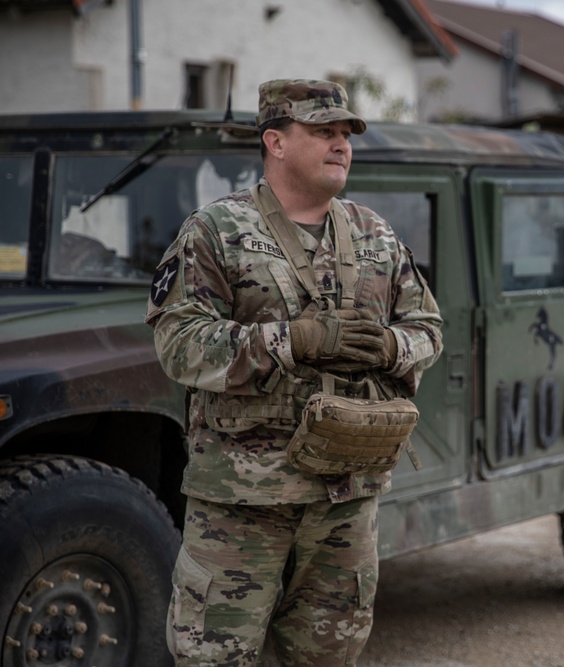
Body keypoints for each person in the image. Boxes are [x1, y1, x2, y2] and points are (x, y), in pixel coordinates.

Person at [146, 79, 443, 666]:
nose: (341, 145)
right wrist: (293, 340)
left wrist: (388, 347)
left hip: (347, 496)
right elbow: (178, 343)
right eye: (323, 132)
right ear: (276, 142)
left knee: (327, 659)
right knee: (212, 657)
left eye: (346, 134)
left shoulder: (373, 233)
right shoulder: (216, 230)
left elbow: (429, 330)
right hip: (242, 498)